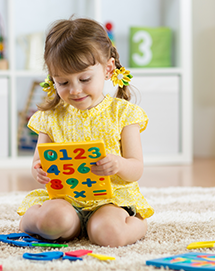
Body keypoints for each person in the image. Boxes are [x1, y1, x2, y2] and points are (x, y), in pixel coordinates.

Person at [17, 17, 154, 248]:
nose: (75, 90)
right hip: (66, 200)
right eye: (63, 82)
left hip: (110, 201)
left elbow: (136, 168)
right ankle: (41, 222)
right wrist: (38, 171)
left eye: (84, 79)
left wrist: (118, 164)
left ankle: (138, 223)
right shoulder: (51, 117)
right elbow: (39, 162)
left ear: (108, 69)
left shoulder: (124, 114)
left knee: (109, 235)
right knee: (53, 221)